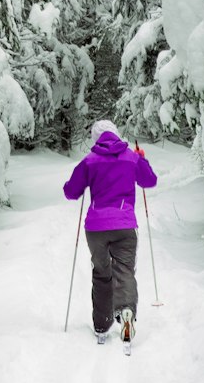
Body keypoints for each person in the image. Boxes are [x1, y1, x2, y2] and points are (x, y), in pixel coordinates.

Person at [63, 120, 157, 343]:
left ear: (96, 139)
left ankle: (102, 325)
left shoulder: (89, 160)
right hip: (124, 225)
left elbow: (70, 192)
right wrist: (142, 159)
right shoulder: (131, 157)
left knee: (102, 273)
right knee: (124, 271)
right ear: (116, 134)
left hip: (96, 228)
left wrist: (84, 182)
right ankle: (126, 312)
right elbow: (149, 180)